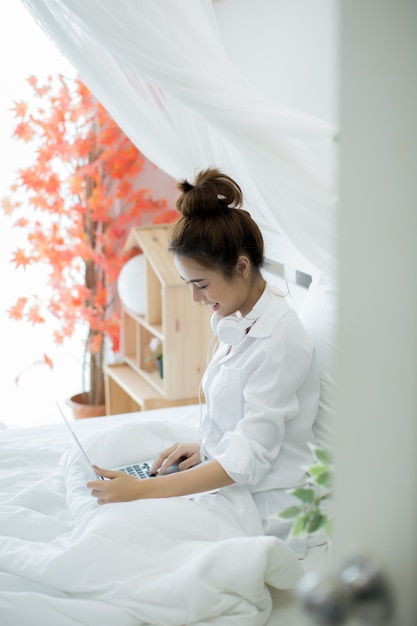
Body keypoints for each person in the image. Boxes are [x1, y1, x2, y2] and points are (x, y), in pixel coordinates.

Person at [88, 167, 320, 543]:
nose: (196, 299)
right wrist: (207, 447)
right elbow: (245, 423)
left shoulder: (280, 340)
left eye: (201, 284)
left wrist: (144, 491)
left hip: (262, 510)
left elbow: (250, 457)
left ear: (241, 267)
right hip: (229, 484)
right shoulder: (239, 318)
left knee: (122, 532)